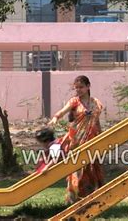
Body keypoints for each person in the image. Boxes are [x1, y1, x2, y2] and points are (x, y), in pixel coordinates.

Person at [48, 75, 104, 204]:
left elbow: (96, 121)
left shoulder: (96, 103)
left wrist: (101, 135)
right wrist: (56, 118)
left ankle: (94, 198)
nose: (78, 90)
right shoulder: (74, 101)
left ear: (88, 86)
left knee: (92, 168)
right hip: (77, 140)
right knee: (77, 168)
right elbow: (63, 111)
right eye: (76, 87)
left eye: (81, 87)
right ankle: (75, 199)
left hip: (92, 139)